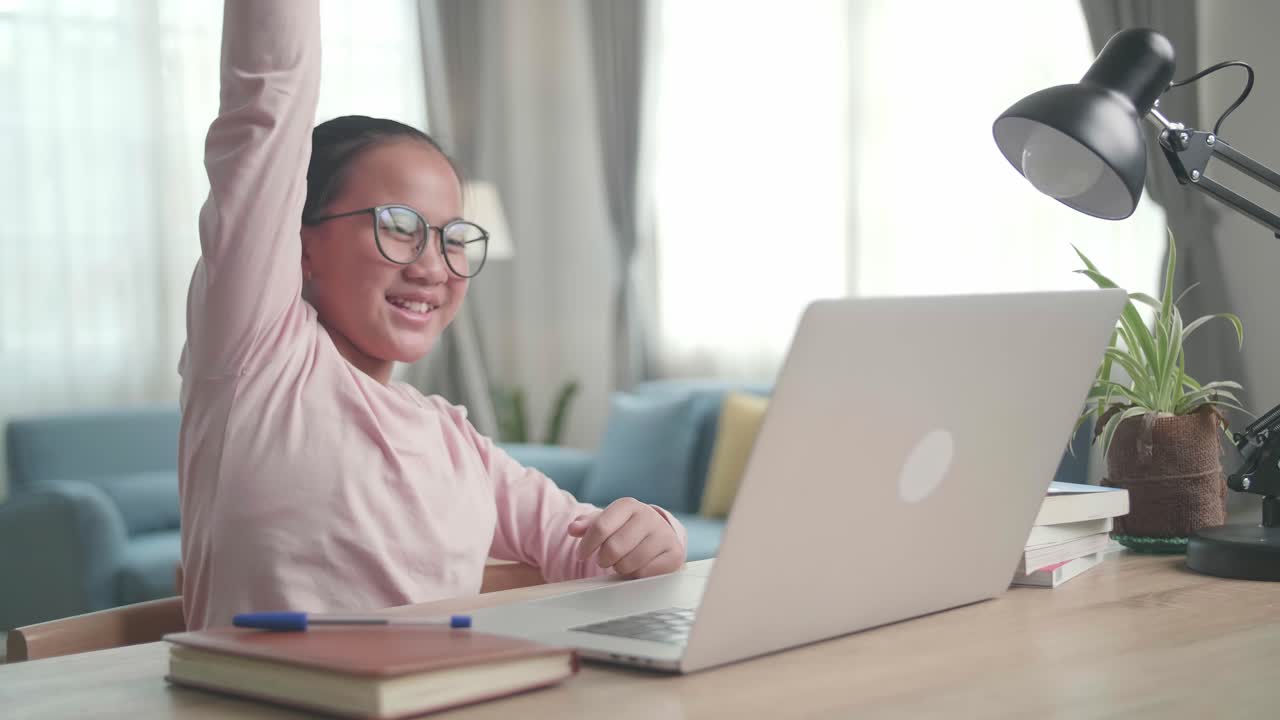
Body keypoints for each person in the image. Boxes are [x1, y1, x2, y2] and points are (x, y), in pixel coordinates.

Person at [178, 1, 686, 631]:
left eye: (453, 238)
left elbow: (589, 552)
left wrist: (654, 534)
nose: (433, 266)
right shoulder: (261, 359)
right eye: (398, 227)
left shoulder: (455, 440)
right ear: (300, 245)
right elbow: (266, 102)